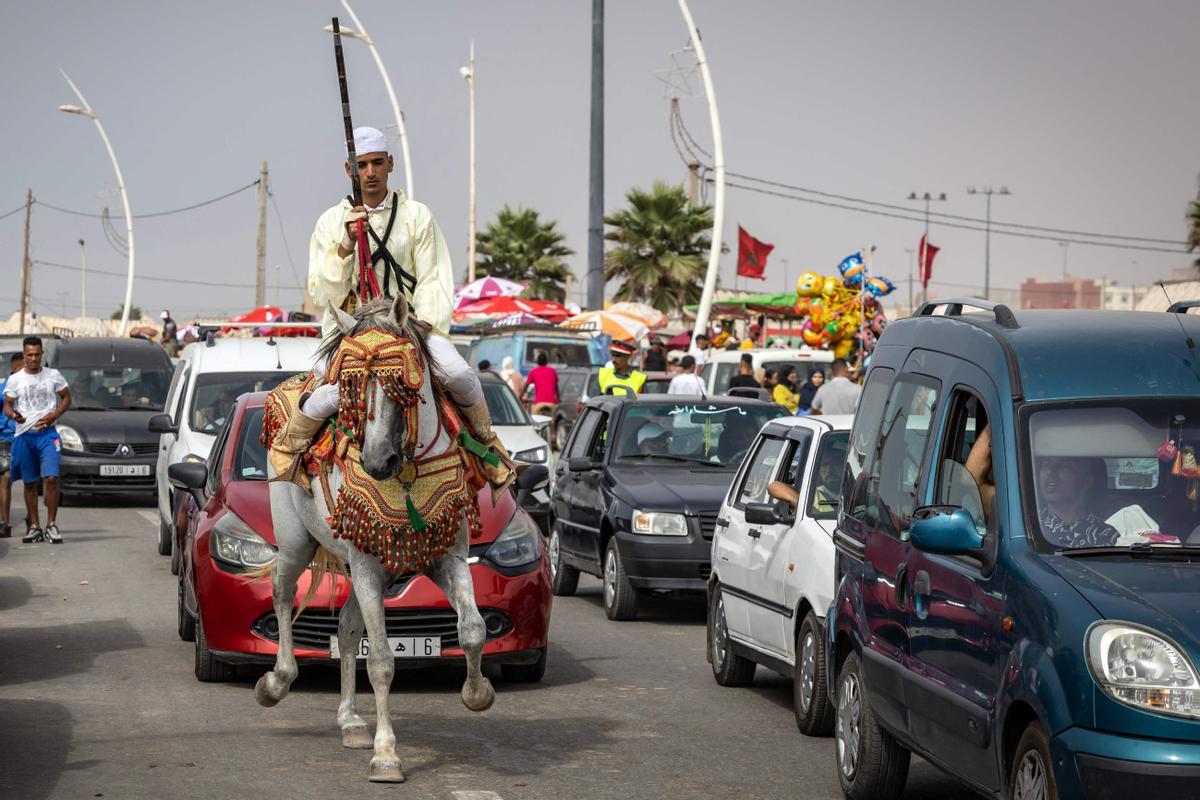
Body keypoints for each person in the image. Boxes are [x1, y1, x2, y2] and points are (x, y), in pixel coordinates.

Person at [297, 125, 512, 485]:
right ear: (349, 170)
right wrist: (347, 244)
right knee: (320, 385)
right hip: (351, 334)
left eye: (377, 163)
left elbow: (434, 278)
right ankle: (293, 450)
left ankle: (488, 445)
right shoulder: (331, 222)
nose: (370, 173)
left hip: (409, 328)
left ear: (390, 164)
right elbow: (324, 293)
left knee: (457, 374)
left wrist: (417, 329)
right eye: (362, 165)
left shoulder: (417, 217)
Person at [3, 337, 71, 544]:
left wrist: (55, 414)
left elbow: (67, 397)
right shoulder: (16, 379)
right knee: (30, 483)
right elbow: (7, 405)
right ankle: (35, 526)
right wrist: (14, 416)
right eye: (29, 355)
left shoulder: (53, 376)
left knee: (51, 478)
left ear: (42, 354)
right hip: (24, 435)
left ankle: (51, 524)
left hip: (48, 435)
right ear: (24, 356)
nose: (33, 359)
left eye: (37, 354)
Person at [1035, 456, 1118, 548]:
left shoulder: (1106, 535)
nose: (1050, 472)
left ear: (1087, 481)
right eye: (1046, 465)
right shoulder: (1028, 527)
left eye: (1064, 466)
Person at [0, 352, 23, 538]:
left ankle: (33, 521)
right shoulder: (3, 388)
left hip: (28, 438)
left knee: (31, 480)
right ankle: (5, 523)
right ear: (16, 368)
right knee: (6, 478)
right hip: (6, 439)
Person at [524, 352, 560, 418]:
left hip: (538, 403)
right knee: (554, 421)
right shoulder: (553, 371)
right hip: (552, 403)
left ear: (537, 362)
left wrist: (521, 396)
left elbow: (526, 386)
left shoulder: (533, 372)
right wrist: (559, 399)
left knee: (534, 420)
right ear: (546, 361)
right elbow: (556, 387)